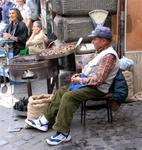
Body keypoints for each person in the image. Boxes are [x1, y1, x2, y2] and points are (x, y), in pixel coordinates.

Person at [25, 26, 120, 146]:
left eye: (95, 39)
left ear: (104, 41)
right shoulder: (101, 52)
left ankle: (63, 133)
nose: (92, 41)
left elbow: (99, 80)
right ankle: (44, 121)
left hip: (98, 89)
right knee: (61, 91)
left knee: (69, 97)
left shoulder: (109, 56)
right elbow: (92, 72)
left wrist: (80, 80)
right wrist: (79, 75)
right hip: (88, 83)